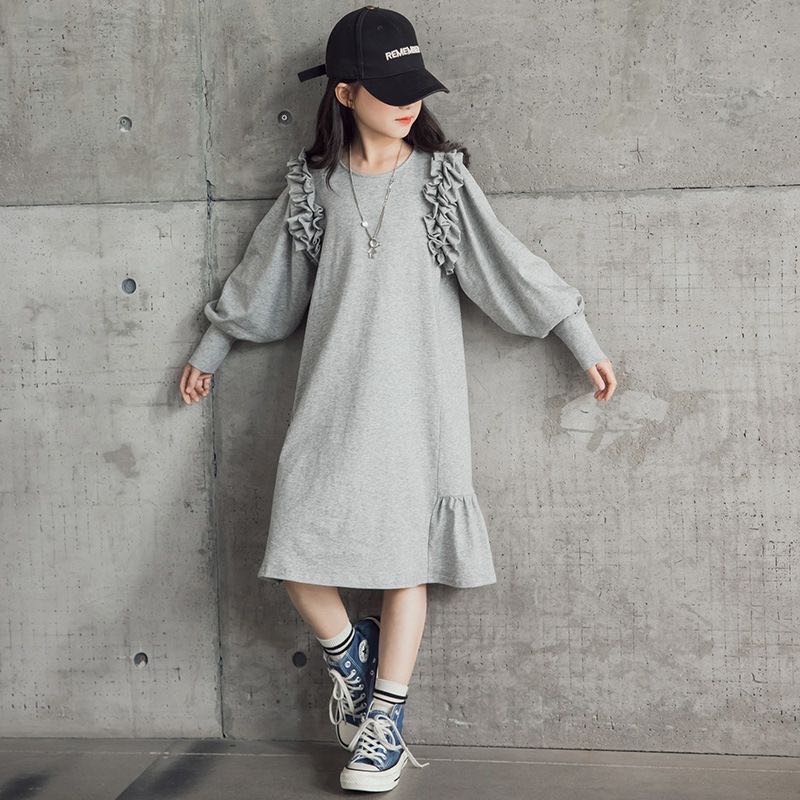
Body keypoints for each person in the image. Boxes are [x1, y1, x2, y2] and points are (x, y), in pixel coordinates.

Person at [179, 5, 617, 793]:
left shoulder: (441, 181)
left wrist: (578, 338)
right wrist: (213, 346)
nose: (408, 102)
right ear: (346, 94)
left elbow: (506, 265)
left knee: (406, 561)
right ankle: (351, 654)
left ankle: (384, 718)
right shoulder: (314, 188)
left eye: (414, 86)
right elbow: (263, 282)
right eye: (389, 90)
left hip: (420, 406)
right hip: (333, 402)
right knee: (296, 548)